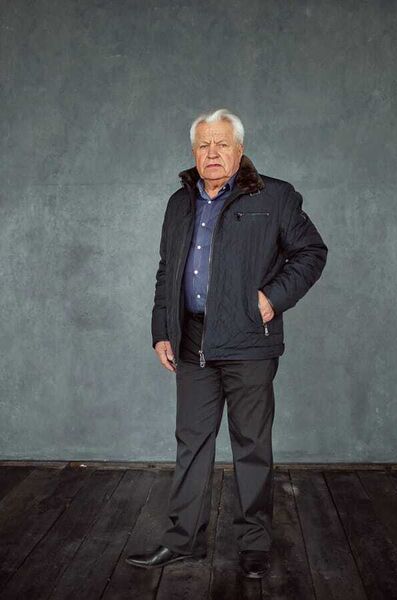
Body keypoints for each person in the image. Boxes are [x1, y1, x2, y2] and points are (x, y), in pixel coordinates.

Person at [126, 108, 328, 578]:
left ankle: (254, 545)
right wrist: (162, 329)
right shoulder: (179, 203)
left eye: (221, 144)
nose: (212, 153)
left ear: (239, 150)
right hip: (192, 339)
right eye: (204, 145)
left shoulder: (275, 196)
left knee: (251, 445)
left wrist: (272, 299)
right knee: (191, 443)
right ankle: (183, 540)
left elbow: (311, 252)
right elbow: (167, 270)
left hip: (248, 341)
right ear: (193, 152)